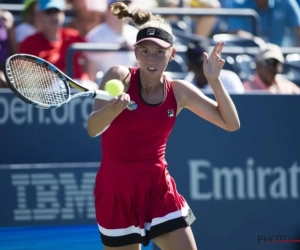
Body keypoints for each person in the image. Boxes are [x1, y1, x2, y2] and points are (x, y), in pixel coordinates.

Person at [87, 2, 240, 250]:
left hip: (159, 190)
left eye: (160, 52)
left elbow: (231, 123)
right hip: (117, 191)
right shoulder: (118, 76)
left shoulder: (179, 91)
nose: (152, 58)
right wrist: (112, 109)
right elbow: (93, 128)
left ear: (172, 54)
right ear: (136, 53)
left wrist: (214, 81)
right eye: (145, 51)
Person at [18, 0, 91, 83]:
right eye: (49, 12)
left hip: (80, 86)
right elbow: (24, 77)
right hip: (47, 92)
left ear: (63, 13)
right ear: (39, 16)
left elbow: (90, 59)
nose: (54, 16)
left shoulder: (74, 37)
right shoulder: (29, 43)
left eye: (57, 11)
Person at [226, 0, 300, 47]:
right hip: (248, 57)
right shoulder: (239, 3)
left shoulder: (286, 2)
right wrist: (255, 41)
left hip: (280, 57)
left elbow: (298, 28)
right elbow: (235, 31)